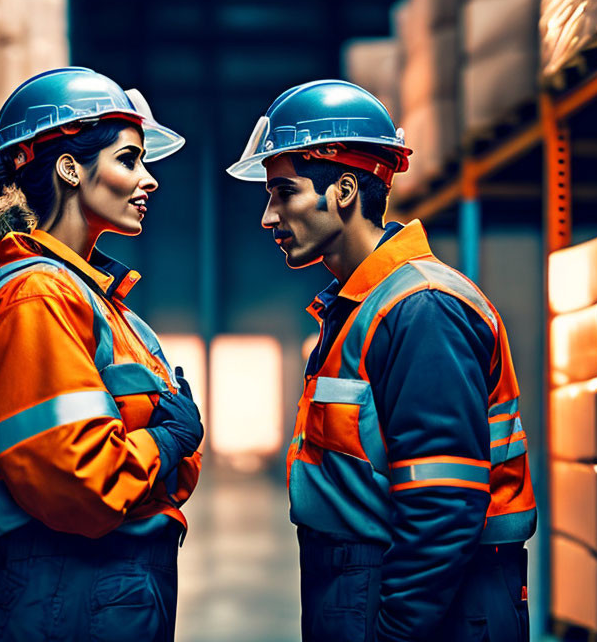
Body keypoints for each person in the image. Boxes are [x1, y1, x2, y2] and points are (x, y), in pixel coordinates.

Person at [227, 80, 537, 642]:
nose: (269, 217)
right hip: (363, 582)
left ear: (343, 190)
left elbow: (445, 504)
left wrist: (394, 631)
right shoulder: (360, 305)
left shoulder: (421, 309)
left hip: (420, 601)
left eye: (284, 193)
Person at [0, 67, 203, 642]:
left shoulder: (80, 295)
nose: (148, 181)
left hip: (83, 592)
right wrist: (169, 441)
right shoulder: (39, 295)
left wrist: (160, 454)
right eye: (129, 159)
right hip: (64, 597)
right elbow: (82, 486)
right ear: (71, 169)